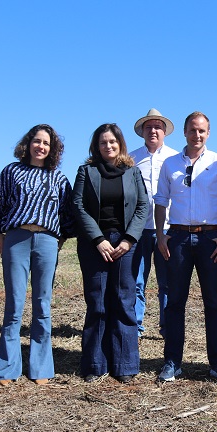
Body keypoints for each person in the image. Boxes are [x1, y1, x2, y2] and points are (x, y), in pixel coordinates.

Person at [0, 124, 73, 386]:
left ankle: (41, 367)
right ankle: (7, 368)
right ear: (28, 144)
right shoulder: (12, 171)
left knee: (42, 304)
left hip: (47, 240)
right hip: (17, 239)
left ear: (53, 148)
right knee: (14, 304)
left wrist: (59, 239)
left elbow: (68, 214)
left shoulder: (58, 177)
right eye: (37, 141)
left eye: (46, 143)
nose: (41, 147)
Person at [154, 112, 217, 383]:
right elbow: (161, 201)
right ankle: (172, 363)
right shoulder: (170, 164)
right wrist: (160, 235)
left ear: (208, 133)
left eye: (201, 131)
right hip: (177, 238)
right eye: (192, 130)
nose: (196, 135)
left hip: (210, 238)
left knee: (213, 301)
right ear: (185, 132)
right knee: (175, 301)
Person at [72, 123, 149, 383]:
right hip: (95, 245)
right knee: (97, 302)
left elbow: (142, 205)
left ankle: (125, 365)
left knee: (124, 301)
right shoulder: (86, 171)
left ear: (120, 144)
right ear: (96, 145)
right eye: (103, 142)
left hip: (125, 245)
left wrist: (128, 240)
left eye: (113, 142)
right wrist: (98, 239)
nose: (109, 146)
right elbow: (78, 206)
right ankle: (95, 364)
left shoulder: (132, 172)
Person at [129, 108, 178, 337]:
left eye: (158, 127)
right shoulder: (130, 159)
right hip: (138, 229)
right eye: (148, 127)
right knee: (137, 281)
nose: (153, 131)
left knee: (166, 282)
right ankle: (136, 326)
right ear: (142, 132)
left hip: (167, 228)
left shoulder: (175, 158)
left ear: (165, 131)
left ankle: (167, 325)